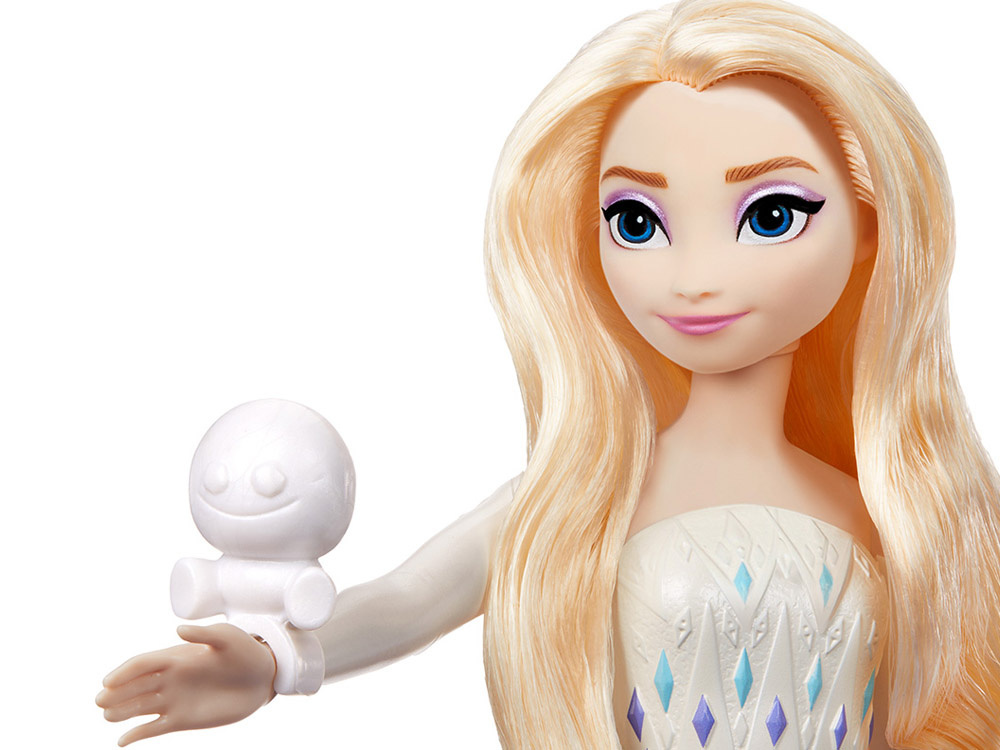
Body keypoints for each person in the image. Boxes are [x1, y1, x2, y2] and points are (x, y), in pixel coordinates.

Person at [97, 1, 1000, 747]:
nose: (694, 276)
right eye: (638, 223)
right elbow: (410, 599)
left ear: (872, 227)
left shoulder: (906, 511)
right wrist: (273, 662)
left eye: (769, 215)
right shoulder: (579, 500)